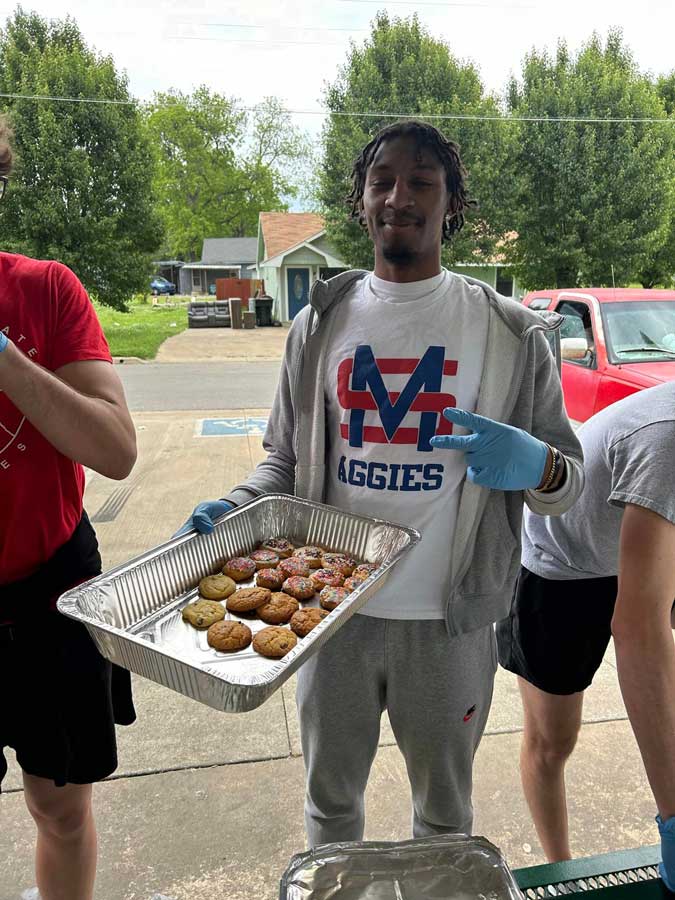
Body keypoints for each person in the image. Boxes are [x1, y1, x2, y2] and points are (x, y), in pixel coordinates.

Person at [181, 120, 583, 846]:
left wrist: (537, 463)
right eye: (382, 181)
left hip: (447, 623)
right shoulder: (318, 323)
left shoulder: (509, 334)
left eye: (422, 182)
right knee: (330, 807)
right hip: (330, 616)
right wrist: (236, 507)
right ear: (360, 202)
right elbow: (282, 460)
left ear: (450, 205)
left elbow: (564, 485)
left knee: (444, 815)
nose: (399, 196)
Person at [0, 118, 137, 900]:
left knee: (60, 804)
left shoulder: (46, 289)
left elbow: (116, 450)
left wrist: (5, 358)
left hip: (50, 586)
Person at [496, 382, 675, 889]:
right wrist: (674, 816)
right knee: (554, 740)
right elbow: (640, 631)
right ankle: (563, 871)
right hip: (561, 566)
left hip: (642, 539)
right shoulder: (668, 442)